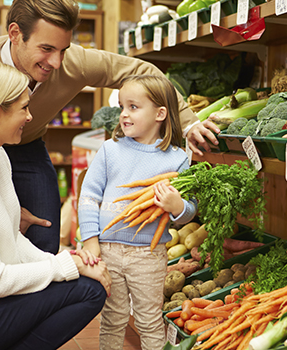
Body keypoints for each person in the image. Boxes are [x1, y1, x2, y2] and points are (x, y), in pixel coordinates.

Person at [0, 0, 220, 255]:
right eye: (46, 49)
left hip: (27, 144)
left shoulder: (73, 62)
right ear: (15, 34)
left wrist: (189, 123)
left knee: (45, 229)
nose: (57, 62)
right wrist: (6, 208)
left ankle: (39, 306)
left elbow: (144, 72)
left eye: (63, 49)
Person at [0, 60, 111, 350]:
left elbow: (12, 239)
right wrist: (66, 266)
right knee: (88, 291)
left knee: (89, 287)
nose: (30, 117)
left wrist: (72, 261)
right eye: (23, 108)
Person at [78, 74, 198, 350]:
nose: (124, 115)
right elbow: (89, 195)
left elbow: (190, 210)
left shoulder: (179, 159)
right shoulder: (110, 150)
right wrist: (91, 241)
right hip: (107, 250)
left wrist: (177, 207)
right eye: (122, 107)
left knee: (149, 321)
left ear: (160, 113)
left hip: (149, 255)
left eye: (133, 107)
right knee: (112, 318)